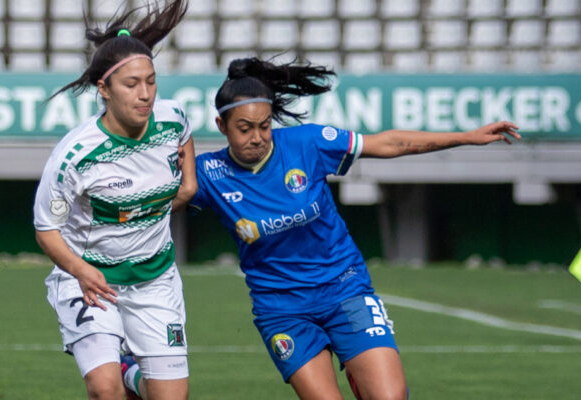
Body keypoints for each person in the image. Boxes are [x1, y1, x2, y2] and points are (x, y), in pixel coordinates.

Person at [185, 57, 520, 400]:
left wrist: (465, 137)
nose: (258, 137)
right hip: (282, 309)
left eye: (265, 125)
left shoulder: (307, 143)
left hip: (345, 289)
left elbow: (386, 143)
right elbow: (151, 200)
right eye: (244, 129)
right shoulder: (207, 174)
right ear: (221, 125)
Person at [32, 1, 196, 399]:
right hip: (91, 281)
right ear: (103, 89)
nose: (146, 95)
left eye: (151, 81)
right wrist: (80, 271)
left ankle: (131, 375)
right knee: (104, 390)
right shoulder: (76, 155)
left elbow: (186, 179)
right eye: (132, 84)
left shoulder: (172, 120)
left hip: (155, 281)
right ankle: (119, 375)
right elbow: (46, 229)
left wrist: (185, 187)